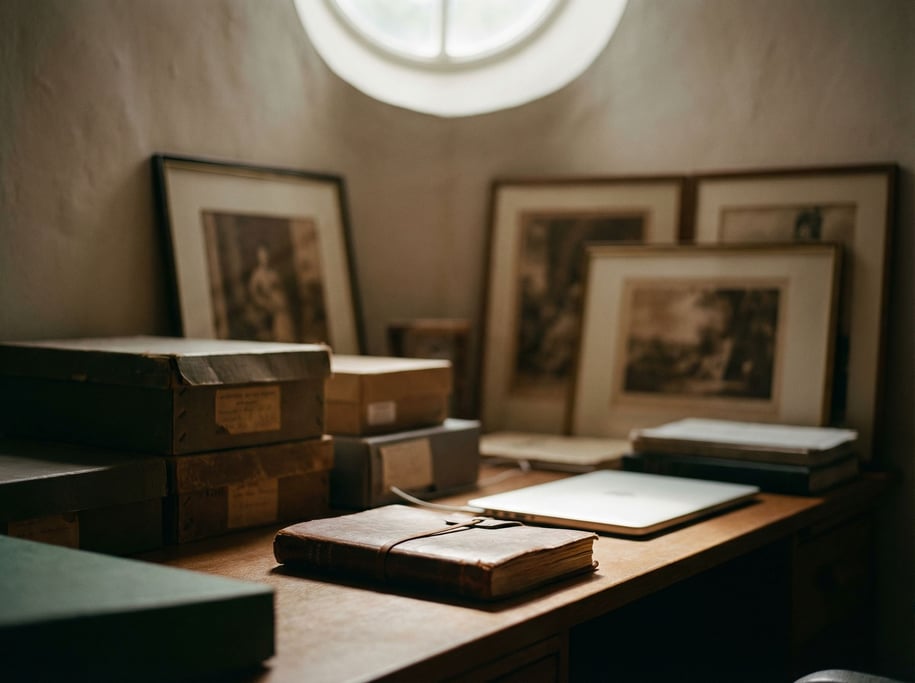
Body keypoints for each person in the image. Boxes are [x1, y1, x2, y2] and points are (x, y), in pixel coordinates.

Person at [247, 244, 297, 342]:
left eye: (266, 256)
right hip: (271, 308)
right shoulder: (257, 274)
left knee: (288, 328)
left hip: (282, 304)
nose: (265, 259)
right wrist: (265, 303)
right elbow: (254, 293)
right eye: (262, 256)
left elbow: (281, 288)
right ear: (258, 258)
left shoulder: (273, 272)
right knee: (278, 331)